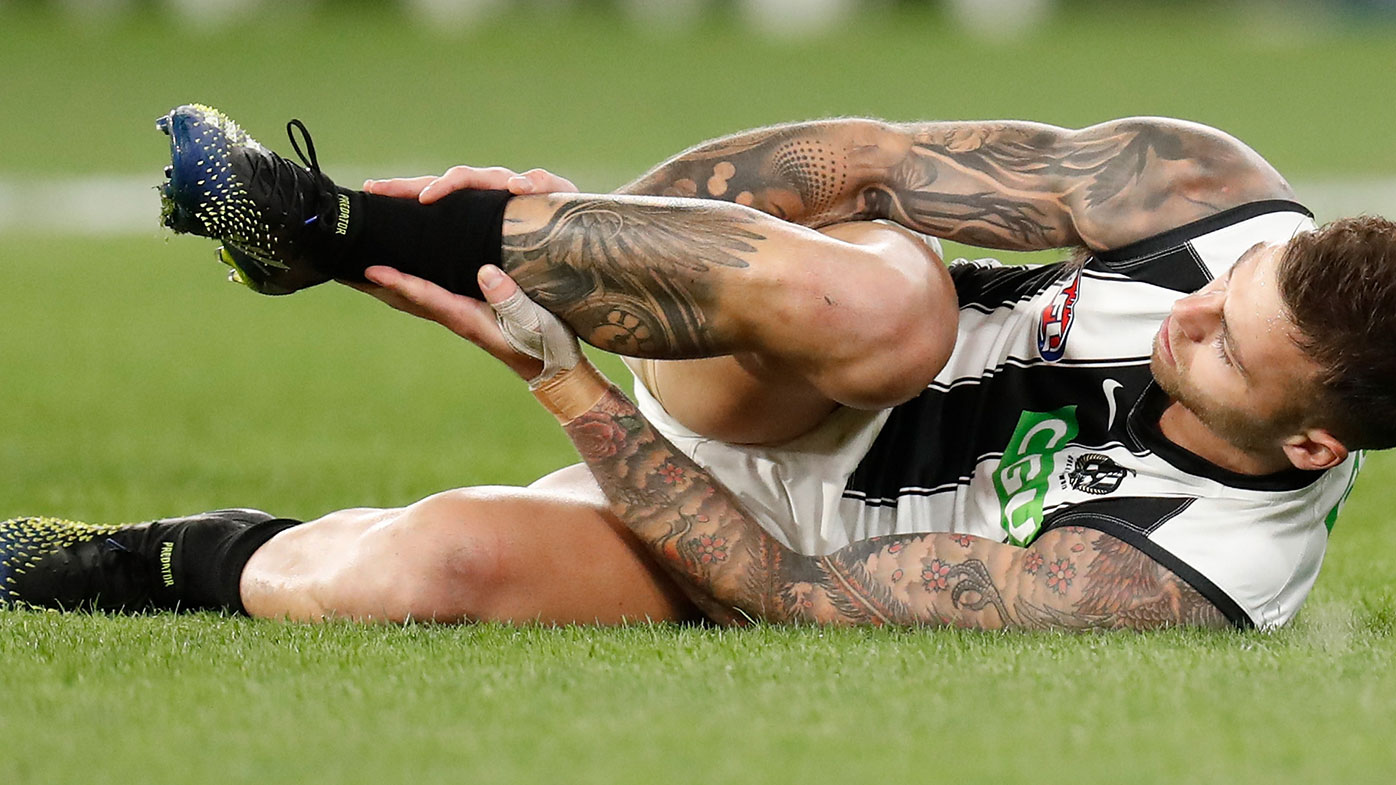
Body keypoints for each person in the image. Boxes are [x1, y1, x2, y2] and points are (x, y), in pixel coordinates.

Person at [2, 105, 1389, 631]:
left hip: (765, 538)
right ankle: (318, 227)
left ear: (1314, 441)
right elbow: (860, 166)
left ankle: (86, 564)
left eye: (1228, 344)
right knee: (893, 310)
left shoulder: (1182, 575)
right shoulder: (1206, 198)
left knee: (422, 576)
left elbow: (791, 592)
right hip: (801, 353)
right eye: (1227, 291)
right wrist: (607, 224)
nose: (1186, 317)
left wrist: (570, 387)